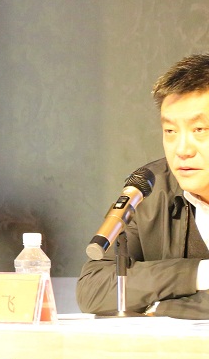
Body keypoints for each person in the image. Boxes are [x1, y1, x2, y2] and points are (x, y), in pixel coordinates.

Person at [77, 53, 209, 318]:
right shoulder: (151, 189)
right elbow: (93, 289)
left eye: (199, 130)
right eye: (170, 131)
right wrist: (197, 274)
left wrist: (162, 306)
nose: (182, 150)